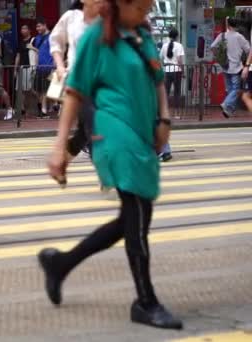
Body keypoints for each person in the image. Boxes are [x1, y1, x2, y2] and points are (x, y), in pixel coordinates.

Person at [39, 0, 183, 330]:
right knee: (136, 216)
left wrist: (164, 120)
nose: (146, 14)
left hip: (143, 132)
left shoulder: (141, 35)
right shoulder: (95, 39)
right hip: (113, 133)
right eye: (141, 8)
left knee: (132, 217)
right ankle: (146, 301)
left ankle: (60, 263)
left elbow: (158, 80)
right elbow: (74, 93)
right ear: (120, 4)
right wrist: (60, 147)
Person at [50, 0, 102, 158]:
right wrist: (59, 66)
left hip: (104, 82)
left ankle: (64, 157)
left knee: (85, 131)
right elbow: (55, 41)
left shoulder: (108, 18)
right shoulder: (71, 17)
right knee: (94, 125)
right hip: (78, 81)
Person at [211, 17, 250, 118]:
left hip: (225, 66)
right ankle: (226, 104)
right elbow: (249, 50)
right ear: (237, 26)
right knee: (236, 89)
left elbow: (213, 47)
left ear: (228, 25)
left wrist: (218, 56)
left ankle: (229, 111)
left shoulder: (222, 35)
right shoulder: (239, 37)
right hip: (236, 67)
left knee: (229, 89)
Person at [158, 28, 184, 162]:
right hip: (176, 70)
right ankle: (177, 112)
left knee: (166, 93)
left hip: (167, 70)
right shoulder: (179, 46)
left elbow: (161, 59)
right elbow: (180, 60)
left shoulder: (164, 45)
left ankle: (166, 111)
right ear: (177, 36)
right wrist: (182, 69)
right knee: (178, 92)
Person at [15, 24, 38, 117]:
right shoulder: (20, 42)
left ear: (29, 30)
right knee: (20, 90)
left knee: (29, 90)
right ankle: (22, 110)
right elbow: (18, 55)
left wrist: (32, 47)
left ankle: (38, 105)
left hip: (30, 67)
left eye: (25, 28)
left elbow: (40, 51)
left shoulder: (34, 40)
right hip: (21, 67)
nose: (22, 30)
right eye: (21, 28)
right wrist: (15, 68)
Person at [33, 17, 54, 116]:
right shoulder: (37, 38)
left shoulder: (52, 37)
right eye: (37, 27)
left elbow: (56, 52)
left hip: (49, 66)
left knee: (45, 89)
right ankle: (45, 106)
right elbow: (38, 52)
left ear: (45, 25)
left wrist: (54, 67)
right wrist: (35, 65)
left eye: (39, 26)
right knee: (36, 89)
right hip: (39, 67)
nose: (38, 29)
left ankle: (43, 109)